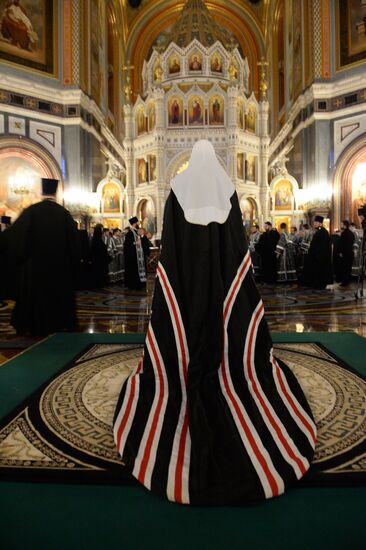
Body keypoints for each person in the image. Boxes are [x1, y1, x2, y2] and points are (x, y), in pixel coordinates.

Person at [114, 140, 316, 505]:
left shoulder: (177, 188)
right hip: (225, 280)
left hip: (185, 279)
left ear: (191, 161)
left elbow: (172, 242)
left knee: (182, 333)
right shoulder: (228, 190)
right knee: (233, 336)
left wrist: (172, 277)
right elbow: (236, 243)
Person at [5, 178, 78, 336]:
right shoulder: (64, 214)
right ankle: (61, 323)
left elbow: (16, 239)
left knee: (37, 298)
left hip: (36, 270)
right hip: (60, 269)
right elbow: (75, 244)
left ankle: (36, 325)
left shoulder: (32, 211)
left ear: (42, 192)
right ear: (55, 192)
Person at [302, 215, 332, 289]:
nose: (314, 224)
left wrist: (317, 255)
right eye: (314, 222)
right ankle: (317, 284)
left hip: (320, 257)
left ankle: (320, 285)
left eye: (316, 222)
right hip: (317, 257)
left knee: (320, 272)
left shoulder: (323, 232)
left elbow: (322, 246)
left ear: (320, 223)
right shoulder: (319, 231)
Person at [123, 216, 147, 290]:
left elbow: (142, 241)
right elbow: (127, 245)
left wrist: (142, 239)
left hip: (139, 255)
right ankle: (134, 284)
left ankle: (140, 283)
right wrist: (135, 243)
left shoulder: (137, 231)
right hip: (133, 256)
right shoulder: (129, 233)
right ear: (134, 223)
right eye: (137, 222)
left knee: (139, 269)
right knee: (134, 270)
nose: (138, 223)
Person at [335, 220, 355, 286]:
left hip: (345, 253)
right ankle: (347, 281)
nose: (340, 225)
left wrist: (340, 252)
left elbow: (342, 244)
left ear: (344, 225)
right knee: (348, 268)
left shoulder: (344, 233)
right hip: (350, 253)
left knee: (344, 268)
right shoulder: (351, 233)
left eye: (341, 224)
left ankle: (344, 282)